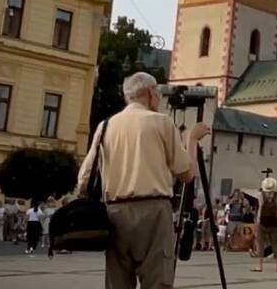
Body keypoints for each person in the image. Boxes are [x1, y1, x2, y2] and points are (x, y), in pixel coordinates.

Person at [76, 71, 210, 289]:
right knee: (157, 282)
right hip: (153, 211)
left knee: (117, 283)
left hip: (114, 212)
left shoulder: (106, 125)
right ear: (149, 91)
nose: (159, 97)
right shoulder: (161, 122)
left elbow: (84, 176)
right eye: (157, 91)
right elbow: (186, 173)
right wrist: (192, 140)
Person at [254, 177, 277, 273]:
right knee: (275, 244)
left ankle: (259, 266)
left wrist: (257, 221)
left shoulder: (260, 195)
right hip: (274, 223)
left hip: (262, 222)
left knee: (260, 244)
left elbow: (259, 210)